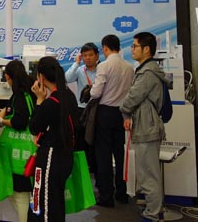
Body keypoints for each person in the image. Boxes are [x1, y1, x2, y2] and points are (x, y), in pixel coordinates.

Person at [120, 32, 168, 222]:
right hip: (145, 125)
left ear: (146, 49)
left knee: (149, 175)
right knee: (147, 172)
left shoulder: (147, 73)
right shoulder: (147, 69)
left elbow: (133, 96)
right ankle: (153, 209)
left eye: (135, 46)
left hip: (147, 128)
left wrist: (123, 110)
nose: (132, 49)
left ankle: (153, 214)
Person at [28, 56, 79, 222]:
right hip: (65, 156)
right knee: (55, 203)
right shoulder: (69, 96)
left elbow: (34, 127)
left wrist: (39, 100)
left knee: (44, 204)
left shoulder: (50, 103)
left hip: (50, 158)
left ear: (41, 77)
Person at [90, 34, 134, 207]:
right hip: (122, 113)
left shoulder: (104, 66)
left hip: (105, 113)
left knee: (104, 156)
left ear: (105, 48)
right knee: (120, 154)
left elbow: (95, 93)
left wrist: (91, 89)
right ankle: (122, 193)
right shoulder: (129, 67)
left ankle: (106, 196)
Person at [0, 60, 35, 222]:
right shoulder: (31, 90)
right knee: (22, 194)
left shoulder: (19, 95)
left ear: (8, 77)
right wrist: (4, 113)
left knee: (20, 196)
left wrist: (2, 121)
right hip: (29, 149)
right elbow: (11, 109)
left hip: (19, 155)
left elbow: (19, 122)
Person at [65, 42, 99, 109]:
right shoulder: (79, 70)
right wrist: (77, 63)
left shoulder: (102, 70)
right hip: (82, 106)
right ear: (81, 57)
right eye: (85, 55)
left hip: (97, 106)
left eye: (91, 55)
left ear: (97, 56)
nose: (88, 58)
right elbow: (67, 79)